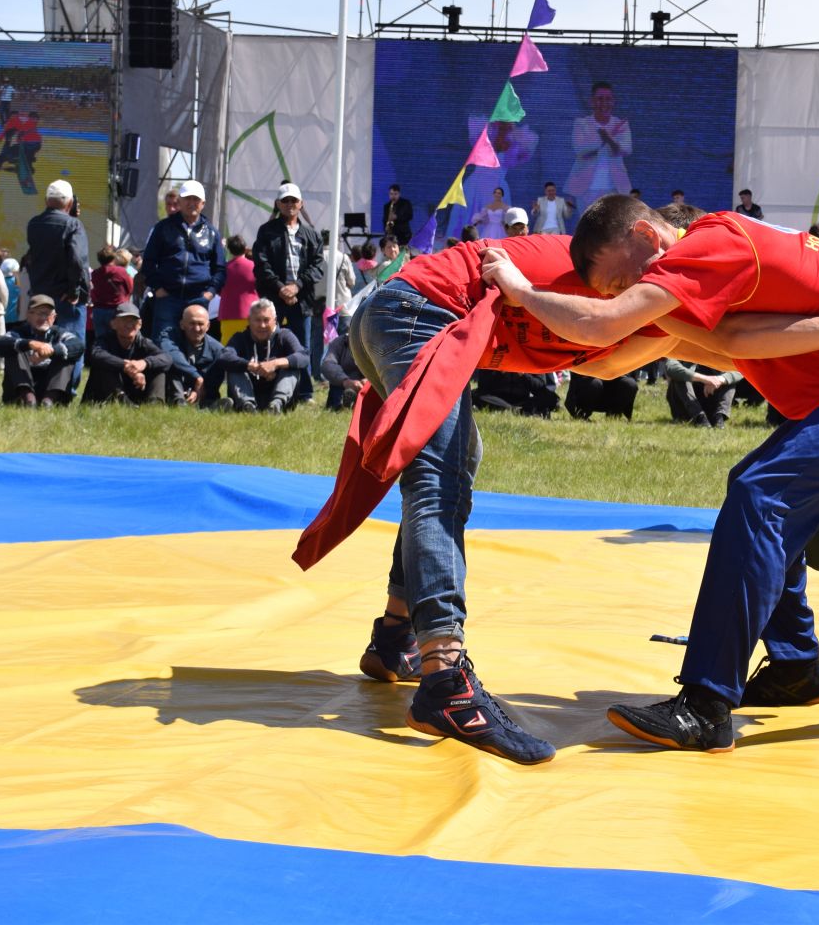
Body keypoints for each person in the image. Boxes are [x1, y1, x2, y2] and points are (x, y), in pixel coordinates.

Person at [485, 197, 819, 754]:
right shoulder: (704, 272)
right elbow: (637, 356)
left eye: (625, 279)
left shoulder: (707, 248)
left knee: (762, 492)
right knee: (758, 488)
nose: (624, 295)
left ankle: (705, 705)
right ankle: (796, 665)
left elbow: (602, 326)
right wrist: (501, 351)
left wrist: (517, 287)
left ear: (650, 237)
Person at [289, 229, 688, 765]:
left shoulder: (634, 284)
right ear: (644, 233)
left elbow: (605, 363)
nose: (648, 276)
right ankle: (446, 680)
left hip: (398, 313)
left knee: (455, 459)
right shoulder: (602, 258)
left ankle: (396, 636)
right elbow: (603, 339)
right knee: (438, 480)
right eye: (664, 252)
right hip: (414, 313)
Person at [251, 182, 320, 387]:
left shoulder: (311, 234)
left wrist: (297, 286)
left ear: (301, 204)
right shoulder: (266, 231)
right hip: (273, 298)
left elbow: (317, 266)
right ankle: (267, 385)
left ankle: (304, 391)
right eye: (285, 200)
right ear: (277, 204)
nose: (290, 204)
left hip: (302, 300)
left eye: (294, 200)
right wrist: (281, 287)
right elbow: (261, 264)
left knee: (302, 346)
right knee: (269, 341)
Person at [141, 179, 226, 344]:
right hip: (167, 297)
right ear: (180, 201)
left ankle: (191, 370)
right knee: (163, 342)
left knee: (195, 345)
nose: (191, 203)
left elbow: (220, 268)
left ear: (203, 203)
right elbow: (149, 261)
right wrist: (158, 288)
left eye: (196, 199)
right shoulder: (163, 228)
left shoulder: (212, 233)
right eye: (187, 199)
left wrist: (210, 293)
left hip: (198, 298)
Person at [24, 180, 90, 389]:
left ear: (46, 200)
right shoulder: (73, 225)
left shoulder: (34, 223)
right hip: (65, 295)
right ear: (69, 203)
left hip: (41, 295)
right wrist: (75, 290)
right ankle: (67, 389)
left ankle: (43, 386)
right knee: (72, 343)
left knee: (44, 344)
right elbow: (77, 259)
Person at [214, 298, 308, 412]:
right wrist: (252, 366)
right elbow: (224, 357)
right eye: (257, 320)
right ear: (249, 320)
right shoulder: (240, 337)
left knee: (291, 366)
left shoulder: (285, 335)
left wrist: (275, 364)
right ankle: (247, 407)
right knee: (235, 367)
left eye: (266, 320)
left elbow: (303, 356)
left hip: (278, 395)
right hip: (247, 394)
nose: (262, 325)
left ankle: (276, 406)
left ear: (275, 320)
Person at [0, 295, 82, 407]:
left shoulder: (60, 333)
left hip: (51, 390)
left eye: (47, 314)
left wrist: (51, 351)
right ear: (28, 315)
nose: (43, 318)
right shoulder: (18, 332)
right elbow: (0, 344)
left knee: (66, 354)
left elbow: (79, 345)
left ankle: (49, 401)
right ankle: (28, 399)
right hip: (19, 390)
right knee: (14, 348)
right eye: (38, 313)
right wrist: (31, 344)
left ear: (54, 317)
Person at [82, 303, 172, 405]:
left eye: (133, 321)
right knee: (104, 365)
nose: (129, 324)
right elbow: (96, 355)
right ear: (113, 324)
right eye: (124, 320)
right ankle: (121, 402)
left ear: (140, 325)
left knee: (159, 368)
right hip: (109, 393)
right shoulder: (104, 340)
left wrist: (144, 363)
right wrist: (126, 366)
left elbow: (166, 358)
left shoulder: (144, 343)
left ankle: (154, 404)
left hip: (136, 389)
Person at [565, 80, 634, 208]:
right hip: (585, 189)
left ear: (613, 101)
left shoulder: (620, 124)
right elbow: (580, 150)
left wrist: (609, 138)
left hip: (615, 188)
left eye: (608, 99)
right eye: (600, 99)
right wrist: (605, 138)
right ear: (592, 101)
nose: (604, 103)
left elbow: (626, 149)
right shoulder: (581, 123)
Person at [161, 301, 228, 408]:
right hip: (175, 389)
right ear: (182, 325)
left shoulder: (217, 350)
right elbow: (170, 354)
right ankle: (179, 402)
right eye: (192, 323)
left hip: (203, 391)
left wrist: (198, 392)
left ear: (208, 326)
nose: (196, 329)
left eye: (200, 324)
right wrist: (196, 376)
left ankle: (210, 405)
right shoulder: (170, 337)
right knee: (171, 364)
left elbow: (214, 381)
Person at [662, 356, 741, 428]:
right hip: (684, 407)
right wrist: (704, 379)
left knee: (728, 381)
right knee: (680, 378)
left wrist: (720, 379)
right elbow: (670, 367)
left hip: (709, 402)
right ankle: (699, 417)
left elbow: (740, 369)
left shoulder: (717, 349)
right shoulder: (682, 346)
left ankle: (719, 418)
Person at [89, 246, 133, 341]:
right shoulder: (121, 271)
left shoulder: (95, 273)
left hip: (99, 310)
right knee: (117, 340)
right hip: (116, 310)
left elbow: (93, 289)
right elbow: (129, 288)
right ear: (113, 258)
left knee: (100, 340)